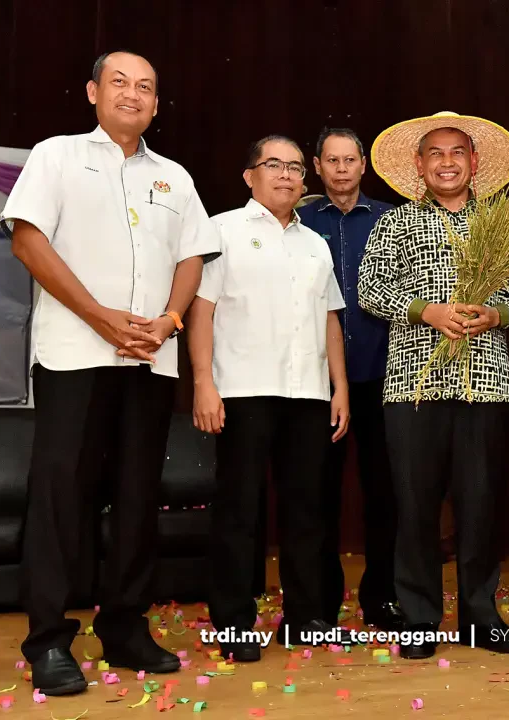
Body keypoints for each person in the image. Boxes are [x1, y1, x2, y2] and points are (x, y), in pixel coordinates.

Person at [0, 51, 220, 695]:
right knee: (60, 494)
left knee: (134, 498)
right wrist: (97, 315)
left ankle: (124, 627)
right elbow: (27, 239)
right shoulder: (56, 155)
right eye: (120, 82)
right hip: (74, 353)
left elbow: (192, 257)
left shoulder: (175, 177)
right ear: (93, 91)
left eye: (146, 86)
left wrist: (171, 317)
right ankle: (47, 639)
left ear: (157, 103)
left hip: (149, 361)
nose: (133, 93)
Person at [358, 111, 509, 659]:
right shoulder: (394, 223)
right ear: (419, 165)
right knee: (414, 504)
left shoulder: (505, 225)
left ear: (474, 162)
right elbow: (369, 290)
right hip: (411, 384)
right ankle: (418, 620)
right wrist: (424, 311)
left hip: (484, 384)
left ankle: (481, 617)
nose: (446, 161)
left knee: (480, 503)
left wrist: (495, 314)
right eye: (434, 153)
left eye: (456, 152)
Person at [187, 135, 350, 661]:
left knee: (308, 512)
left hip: (307, 393)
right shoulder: (221, 231)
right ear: (249, 175)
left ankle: (306, 620)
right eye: (273, 165)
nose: (285, 175)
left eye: (295, 168)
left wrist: (339, 386)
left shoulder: (315, 243)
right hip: (241, 391)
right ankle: (234, 624)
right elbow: (202, 312)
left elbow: (330, 319)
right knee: (240, 511)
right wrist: (202, 383)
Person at [296, 128, 403, 631]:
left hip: (385, 375)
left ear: (365, 165)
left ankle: (382, 598)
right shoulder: (295, 219)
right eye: (331, 160)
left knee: (386, 494)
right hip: (315, 380)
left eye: (350, 160)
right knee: (316, 493)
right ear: (317, 165)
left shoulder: (395, 221)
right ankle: (318, 601)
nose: (341, 169)